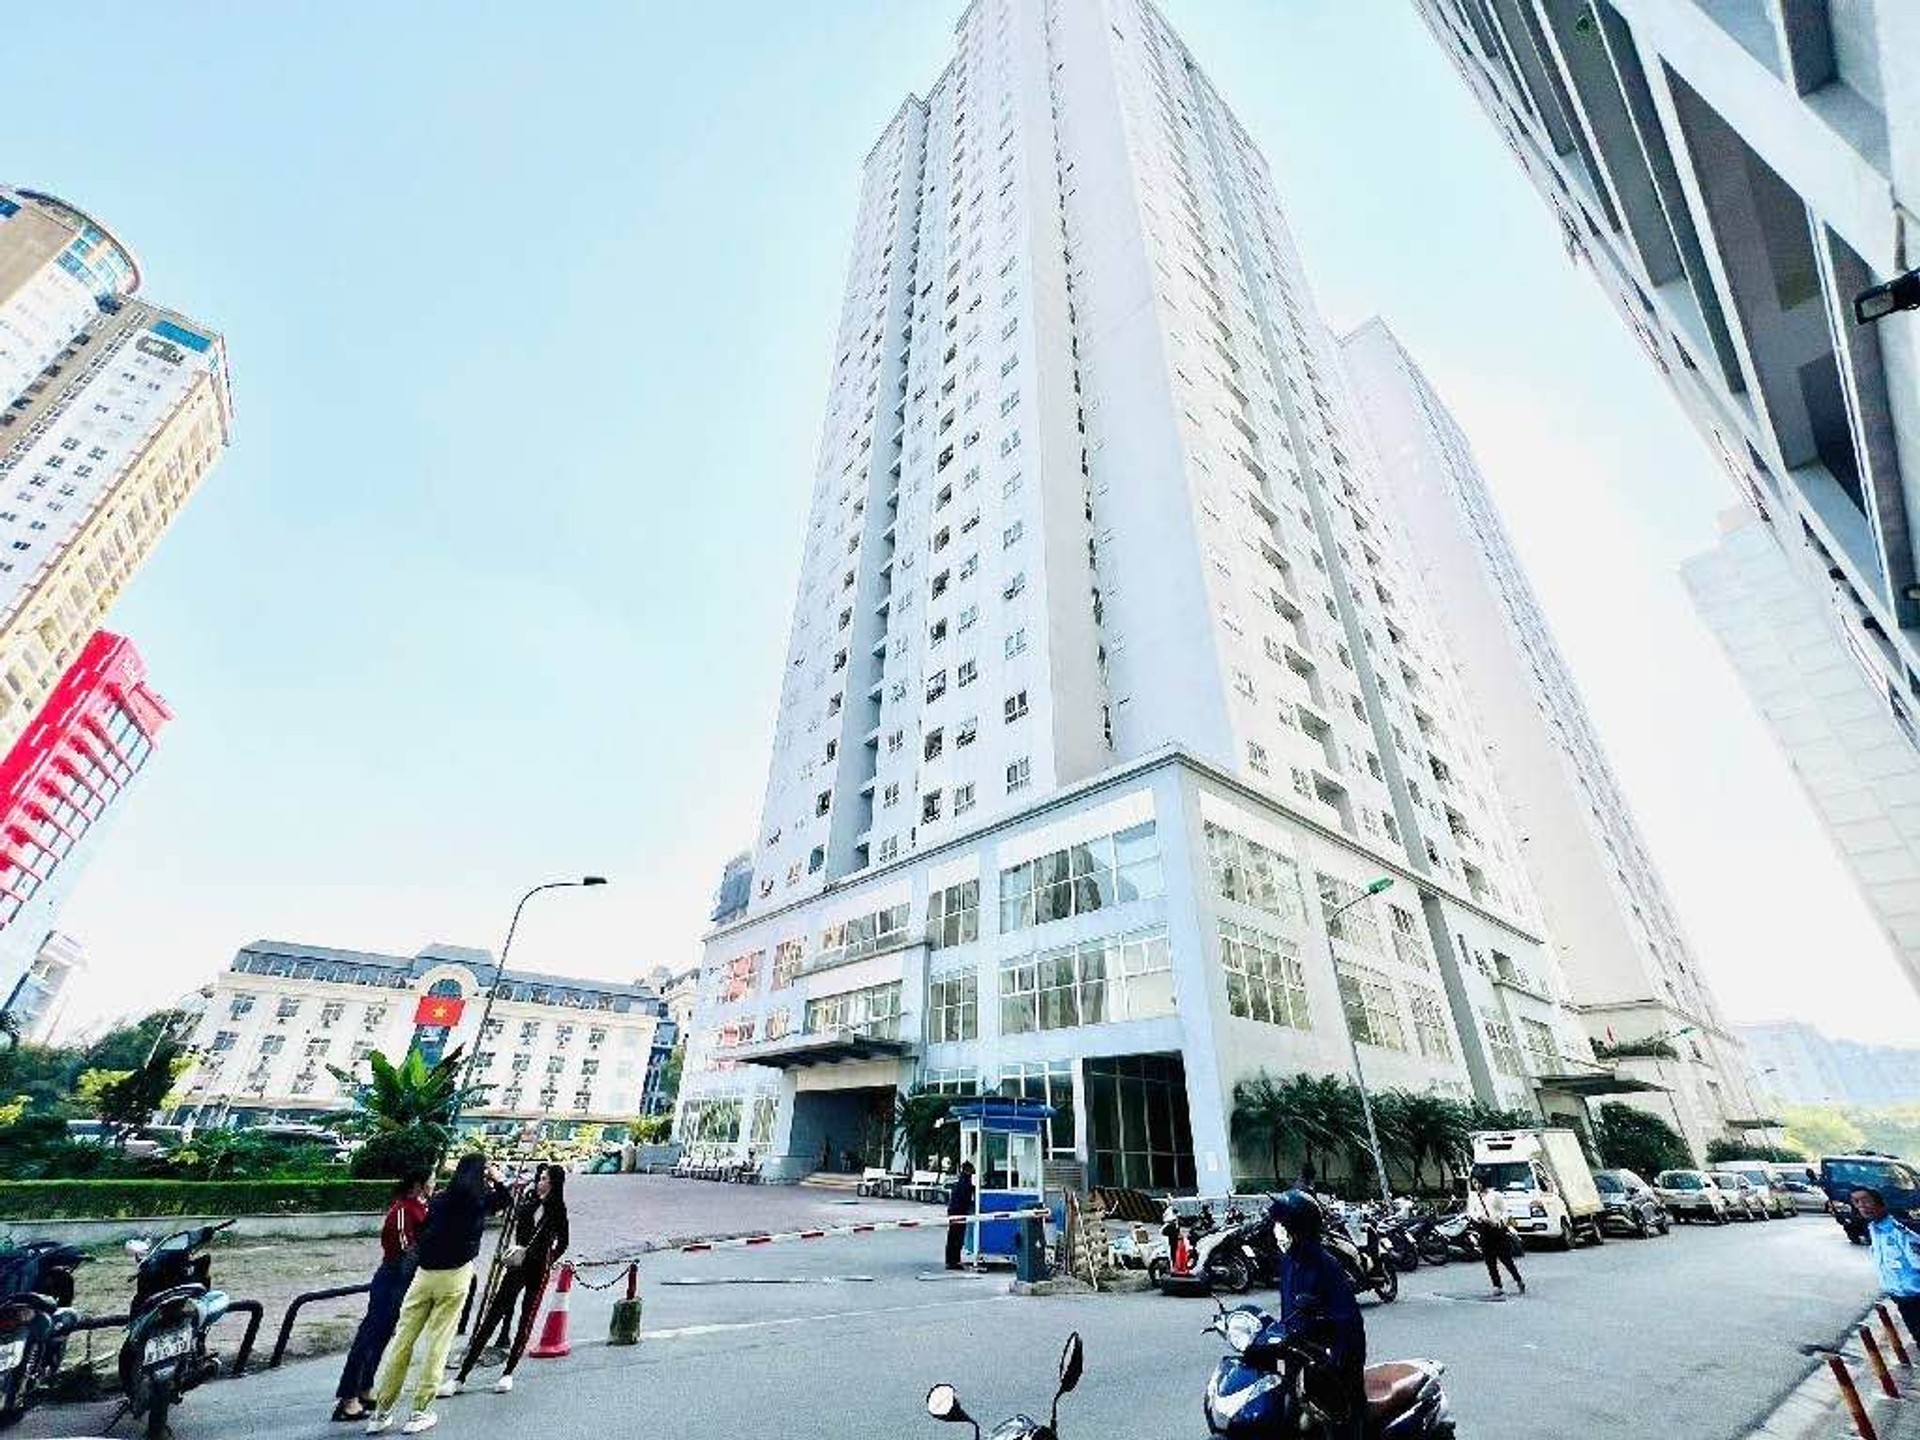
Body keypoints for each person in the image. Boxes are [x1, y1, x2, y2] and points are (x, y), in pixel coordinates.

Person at [366, 1155, 509, 1436]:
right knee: (438, 1344)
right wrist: (497, 1178)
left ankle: (382, 1412)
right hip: (455, 1275)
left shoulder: (440, 1199)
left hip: (424, 1275)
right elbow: (505, 1200)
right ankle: (420, 1411)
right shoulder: (478, 1202)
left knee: (402, 1342)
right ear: (481, 1174)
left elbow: (424, 1229)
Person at [444, 1164, 571, 1395]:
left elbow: (563, 1242)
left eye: (544, 1179)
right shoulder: (529, 1203)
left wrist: (549, 1258)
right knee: (493, 1315)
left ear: (554, 1183)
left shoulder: (558, 1210)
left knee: (526, 1319)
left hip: (538, 1270)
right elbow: (513, 1215)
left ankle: (508, 1372)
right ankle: (461, 1376)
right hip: (517, 1266)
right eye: (540, 1178)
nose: (540, 1182)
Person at [331, 1169, 429, 1423]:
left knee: (382, 1336)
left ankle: (365, 1387)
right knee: (369, 1336)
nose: (434, 1184)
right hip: (393, 1277)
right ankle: (347, 1397)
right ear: (418, 1183)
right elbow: (405, 1247)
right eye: (430, 1179)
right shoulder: (402, 1209)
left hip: (405, 1279)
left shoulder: (421, 1206)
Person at [1268, 1191, 1366, 1440]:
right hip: (1299, 1353)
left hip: (1331, 1361)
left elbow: (1349, 1324)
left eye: (1283, 1225)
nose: (1278, 1230)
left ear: (1298, 1229)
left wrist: (1335, 1362)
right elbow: (1289, 1311)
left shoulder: (1325, 1266)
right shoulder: (1288, 1261)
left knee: (1340, 1423)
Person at [1852, 1187, 1920, 1342]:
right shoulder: (1873, 1228)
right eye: (1857, 1202)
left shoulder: (1900, 1229)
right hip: (1901, 1298)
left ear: (1880, 1202)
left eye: (1866, 1200)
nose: (1862, 1206)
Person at [1467, 1176, 1525, 1296]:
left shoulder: (1495, 1195)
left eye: (1478, 1182)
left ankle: (1518, 1279)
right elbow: (1471, 1212)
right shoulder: (1473, 1197)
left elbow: (1505, 1211)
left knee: (1506, 1259)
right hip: (1483, 1229)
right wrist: (1480, 1217)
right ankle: (1497, 1285)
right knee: (1489, 1260)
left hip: (1497, 1230)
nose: (1477, 1185)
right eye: (1474, 1183)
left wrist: (1498, 1221)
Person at [945, 1160, 977, 1270]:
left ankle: (952, 1260)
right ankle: (953, 1261)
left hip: (955, 1211)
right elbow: (965, 1197)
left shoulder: (962, 1180)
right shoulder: (965, 1181)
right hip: (959, 1212)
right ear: (967, 1170)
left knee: (953, 1236)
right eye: (971, 1170)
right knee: (956, 1237)